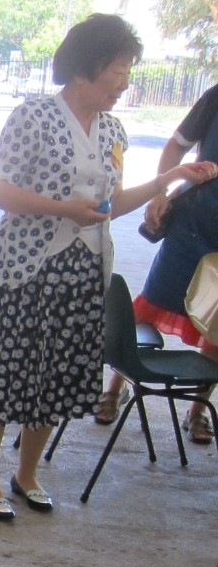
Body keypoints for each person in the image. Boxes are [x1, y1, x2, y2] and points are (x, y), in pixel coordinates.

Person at [0, 14, 217, 522]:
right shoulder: (32, 117)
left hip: (83, 274)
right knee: (3, 374)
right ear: (87, 66)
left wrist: (173, 178)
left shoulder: (113, 130)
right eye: (119, 69)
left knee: (57, 377)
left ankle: (27, 475)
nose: (125, 82)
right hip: (21, 272)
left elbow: (113, 203)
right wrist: (63, 209)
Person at [95, 84, 218, 442]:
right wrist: (161, 193)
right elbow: (176, 146)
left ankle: (198, 410)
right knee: (153, 303)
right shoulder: (215, 97)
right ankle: (117, 386)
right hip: (194, 222)